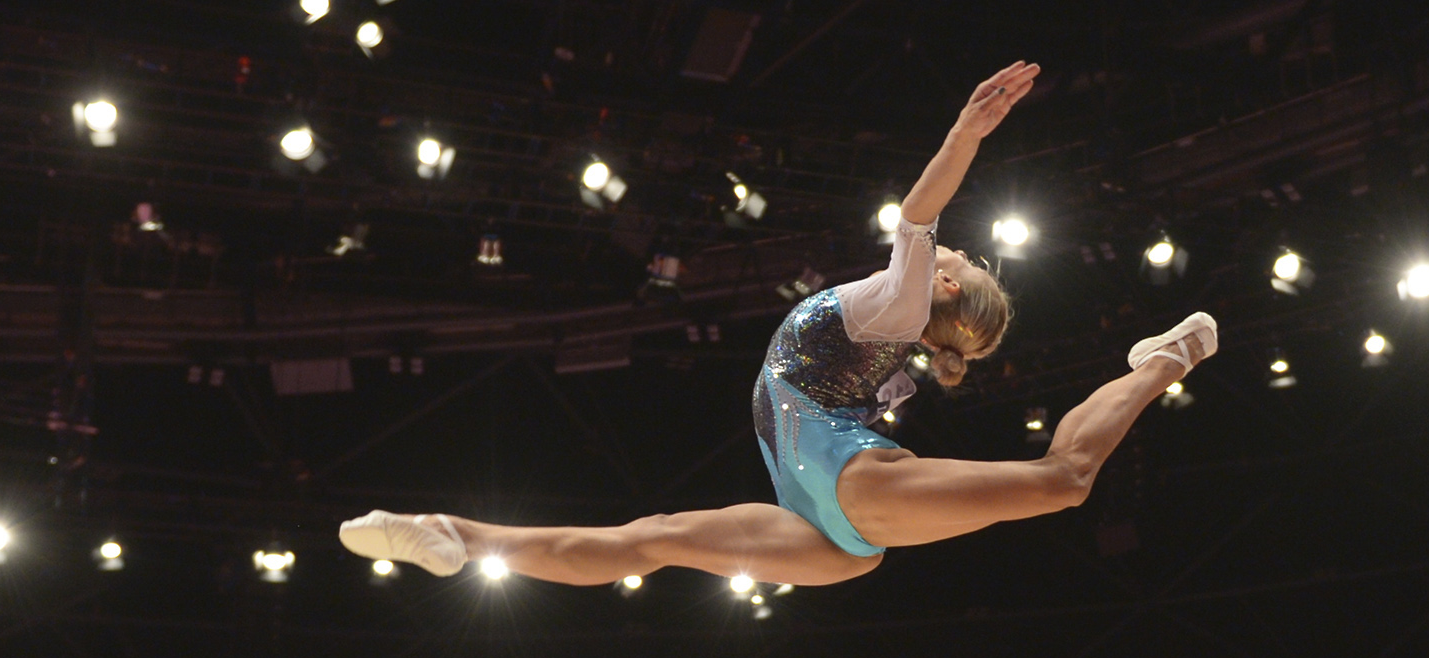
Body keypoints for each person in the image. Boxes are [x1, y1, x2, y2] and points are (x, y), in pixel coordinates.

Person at [341, 61, 1216, 586]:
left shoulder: (910, 299)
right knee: (648, 544)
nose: (959, 253)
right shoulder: (894, 322)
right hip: (824, 513)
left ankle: (1159, 359)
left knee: (1063, 479)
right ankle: (452, 535)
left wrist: (966, 130)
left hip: (840, 489)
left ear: (950, 286)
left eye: (965, 262)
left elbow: (918, 210)